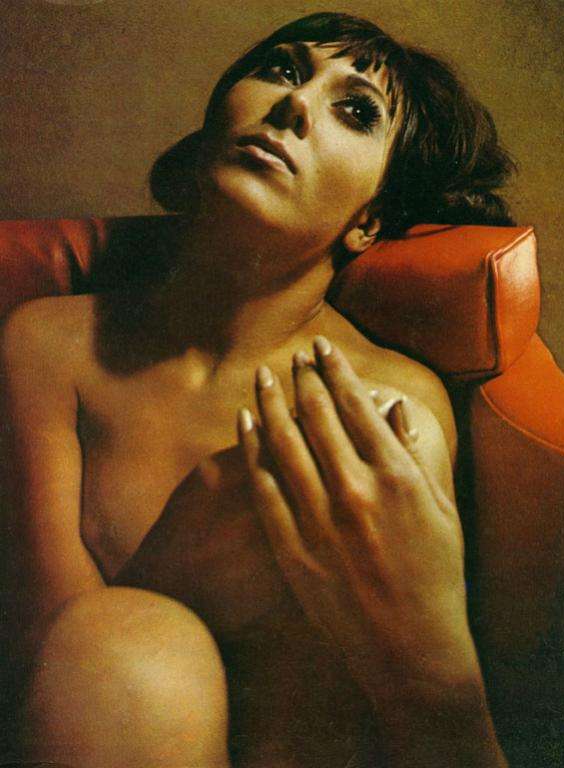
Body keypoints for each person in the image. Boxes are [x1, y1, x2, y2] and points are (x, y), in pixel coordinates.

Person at [1, 12, 517, 768]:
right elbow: (54, 658)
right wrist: (193, 540)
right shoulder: (47, 343)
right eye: (281, 69)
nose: (295, 103)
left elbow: (387, 712)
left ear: (369, 220)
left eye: (355, 111)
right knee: (130, 649)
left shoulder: (375, 409)